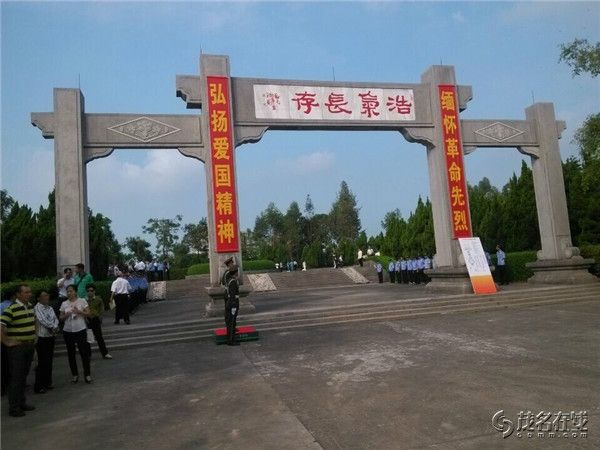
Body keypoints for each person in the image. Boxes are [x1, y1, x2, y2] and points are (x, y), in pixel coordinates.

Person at [1, 285, 36, 417]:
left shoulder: (30, 306)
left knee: (23, 376)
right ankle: (14, 407)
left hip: (29, 346)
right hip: (18, 348)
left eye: (30, 292)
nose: (29, 294)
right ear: (18, 295)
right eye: (26, 292)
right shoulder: (11, 309)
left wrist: (35, 335)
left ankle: (21, 402)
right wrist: (6, 342)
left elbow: (34, 321)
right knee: (16, 377)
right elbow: (1, 325)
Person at [60, 285, 92, 384]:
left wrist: (79, 311)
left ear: (75, 292)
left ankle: (87, 374)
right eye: (67, 291)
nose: (69, 293)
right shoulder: (64, 303)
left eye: (71, 291)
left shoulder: (82, 301)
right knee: (71, 353)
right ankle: (74, 374)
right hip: (68, 330)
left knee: (84, 352)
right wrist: (66, 314)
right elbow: (60, 317)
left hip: (80, 329)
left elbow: (89, 313)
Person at [33, 291, 59, 394]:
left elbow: (55, 319)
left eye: (47, 295)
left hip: (50, 336)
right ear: (38, 298)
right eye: (44, 295)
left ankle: (48, 382)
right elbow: (42, 320)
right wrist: (53, 327)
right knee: (41, 362)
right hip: (42, 337)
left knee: (49, 361)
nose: (46, 297)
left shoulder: (50, 308)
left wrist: (55, 326)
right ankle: (39, 385)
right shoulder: (37, 308)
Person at [85, 285, 112, 360]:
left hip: (96, 319)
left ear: (94, 291)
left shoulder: (98, 299)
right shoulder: (84, 300)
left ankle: (105, 353)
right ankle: (88, 355)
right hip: (87, 320)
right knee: (88, 338)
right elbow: (83, 310)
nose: (90, 292)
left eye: (91, 291)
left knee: (99, 337)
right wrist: (85, 318)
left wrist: (100, 317)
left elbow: (102, 308)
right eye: (88, 291)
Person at [1, 289, 16, 397]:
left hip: (2, 339)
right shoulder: (12, 306)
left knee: (3, 363)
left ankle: (3, 387)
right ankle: (12, 386)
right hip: (12, 338)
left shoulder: (0, 305)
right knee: (13, 364)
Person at [224, 266, 241, 346]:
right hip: (232, 304)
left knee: (230, 322)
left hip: (229, 303)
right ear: (235, 272)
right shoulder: (233, 282)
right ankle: (231, 341)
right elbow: (233, 295)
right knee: (232, 323)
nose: (238, 273)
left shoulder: (229, 280)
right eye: (237, 271)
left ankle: (231, 339)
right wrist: (234, 306)